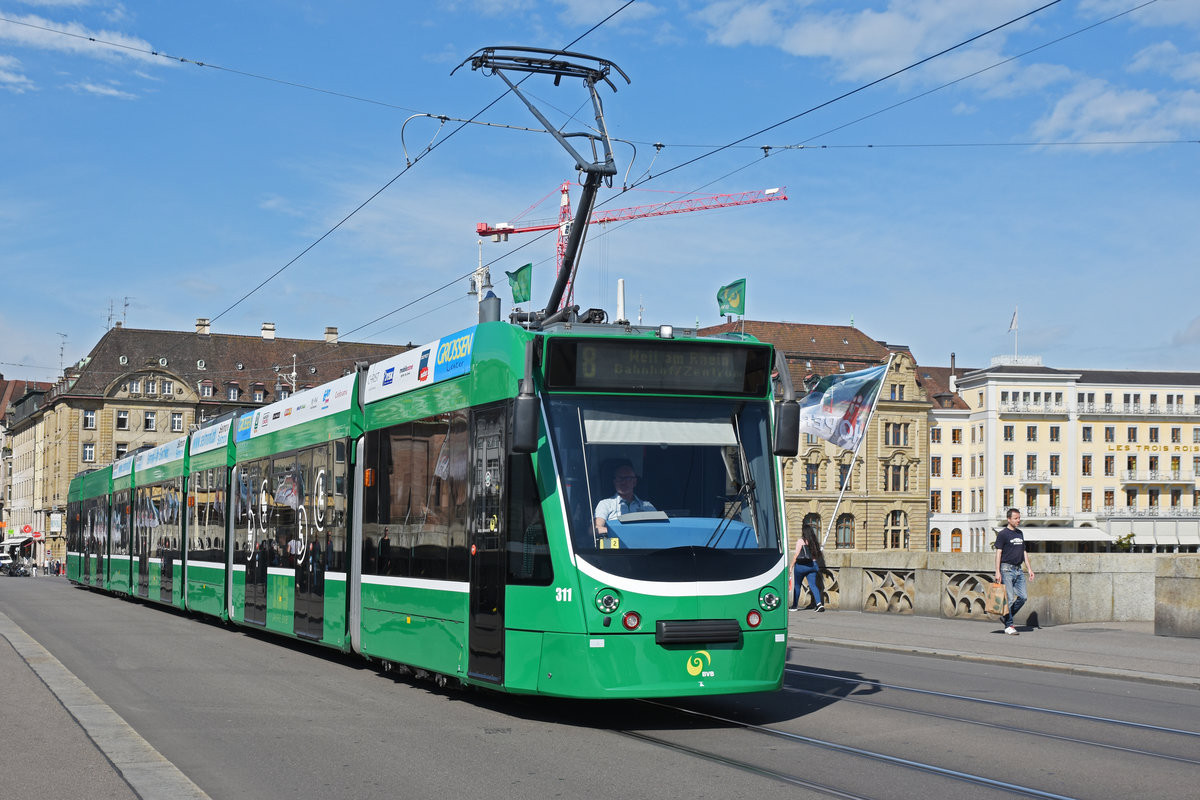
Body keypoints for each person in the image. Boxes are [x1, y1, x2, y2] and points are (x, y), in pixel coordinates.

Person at [994, 507, 1035, 635]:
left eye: (1019, 518)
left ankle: (1006, 617)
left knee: (1023, 597)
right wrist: (997, 571)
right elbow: (998, 553)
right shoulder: (1003, 534)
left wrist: (1029, 569)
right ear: (1009, 519)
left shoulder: (1020, 533)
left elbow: (1024, 551)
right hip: (1006, 569)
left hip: (1018, 569)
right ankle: (1009, 625)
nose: (1018, 520)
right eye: (1015, 518)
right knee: (1010, 599)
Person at [594, 462, 655, 535]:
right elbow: (595, 529)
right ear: (614, 482)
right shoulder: (605, 504)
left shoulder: (647, 506)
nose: (623, 482)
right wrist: (619, 531)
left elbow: (658, 528)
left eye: (627, 479)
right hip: (616, 541)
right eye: (619, 479)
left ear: (634, 482)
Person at [790, 525, 826, 611]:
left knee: (797, 586)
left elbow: (796, 555)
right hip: (812, 566)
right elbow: (817, 556)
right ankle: (819, 604)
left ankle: (795, 606)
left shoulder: (801, 541)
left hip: (801, 566)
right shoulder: (814, 542)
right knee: (813, 585)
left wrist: (791, 566)